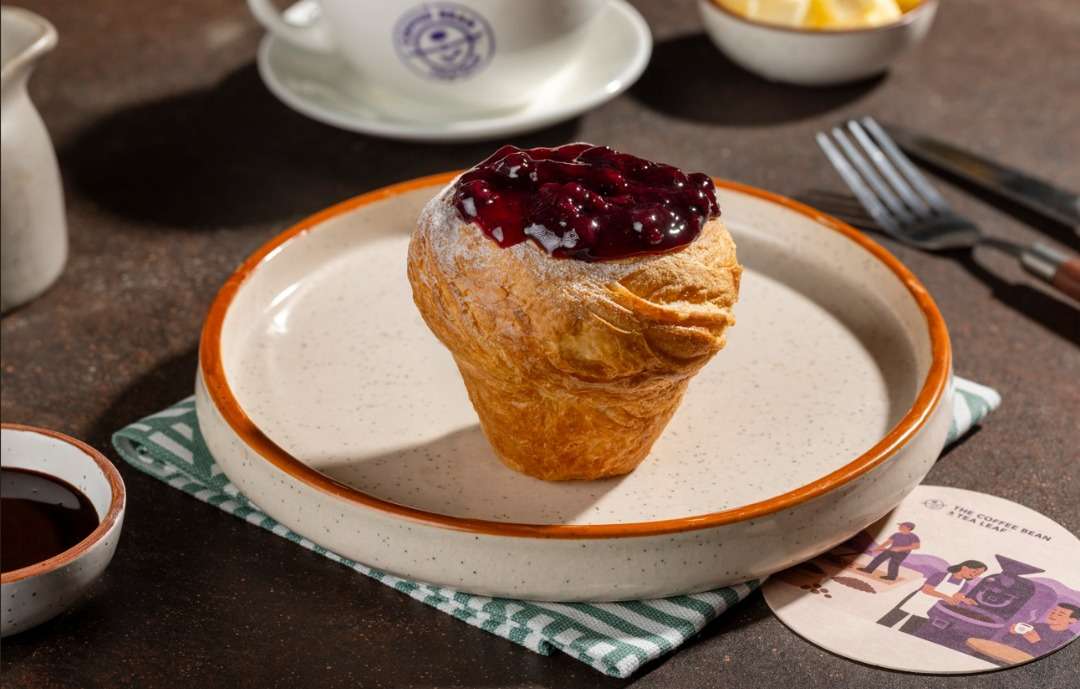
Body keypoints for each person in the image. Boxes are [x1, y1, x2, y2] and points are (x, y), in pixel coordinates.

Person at [876, 560, 987, 635]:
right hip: (916, 600)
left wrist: (964, 600)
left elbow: (956, 597)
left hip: (929, 609)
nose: (975, 575)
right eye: (974, 571)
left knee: (907, 631)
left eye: (978, 574)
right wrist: (946, 598)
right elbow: (927, 590)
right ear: (964, 567)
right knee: (886, 623)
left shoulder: (965, 584)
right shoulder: (941, 575)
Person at [1006, 603, 1079, 656]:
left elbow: (1055, 659)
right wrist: (1012, 633)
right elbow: (1006, 641)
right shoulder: (1036, 626)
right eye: (1053, 611)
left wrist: (1037, 641)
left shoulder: (1070, 638)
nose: (1053, 615)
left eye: (1060, 614)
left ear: (1072, 620)